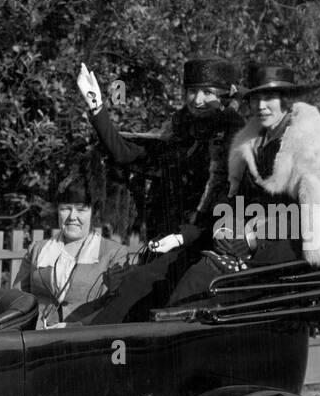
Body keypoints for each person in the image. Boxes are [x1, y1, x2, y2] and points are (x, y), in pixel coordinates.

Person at [77, 57, 245, 322]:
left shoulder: (237, 140)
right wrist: (97, 108)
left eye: (208, 92)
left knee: (139, 286)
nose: (197, 100)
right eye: (192, 91)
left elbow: (225, 206)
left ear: (226, 95)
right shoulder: (181, 133)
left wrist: (182, 237)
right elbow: (127, 154)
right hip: (167, 240)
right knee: (122, 289)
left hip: (207, 244)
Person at [167, 63, 320, 306]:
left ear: (286, 101)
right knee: (179, 271)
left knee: (198, 283)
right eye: (256, 99)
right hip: (245, 242)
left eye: (269, 98)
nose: (261, 106)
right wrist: (225, 227)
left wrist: (251, 238)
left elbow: (313, 214)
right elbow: (237, 200)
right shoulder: (252, 143)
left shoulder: (310, 141)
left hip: (287, 249)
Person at [14, 170, 129, 326]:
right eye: (65, 208)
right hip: (38, 339)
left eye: (81, 209)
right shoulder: (37, 250)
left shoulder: (114, 253)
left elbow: (117, 306)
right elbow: (17, 299)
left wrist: (75, 327)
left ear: (93, 213)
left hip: (85, 340)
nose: (72, 216)